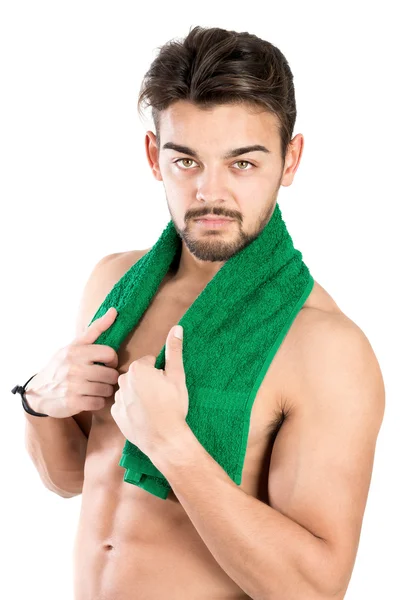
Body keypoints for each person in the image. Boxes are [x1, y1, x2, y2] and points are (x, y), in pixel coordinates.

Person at [22, 25, 385, 600]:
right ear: (153, 155)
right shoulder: (113, 284)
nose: (210, 192)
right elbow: (69, 479)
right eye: (187, 160)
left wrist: (172, 447)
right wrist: (39, 402)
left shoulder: (325, 346)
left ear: (290, 161)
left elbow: (316, 589)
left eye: (242, 164)